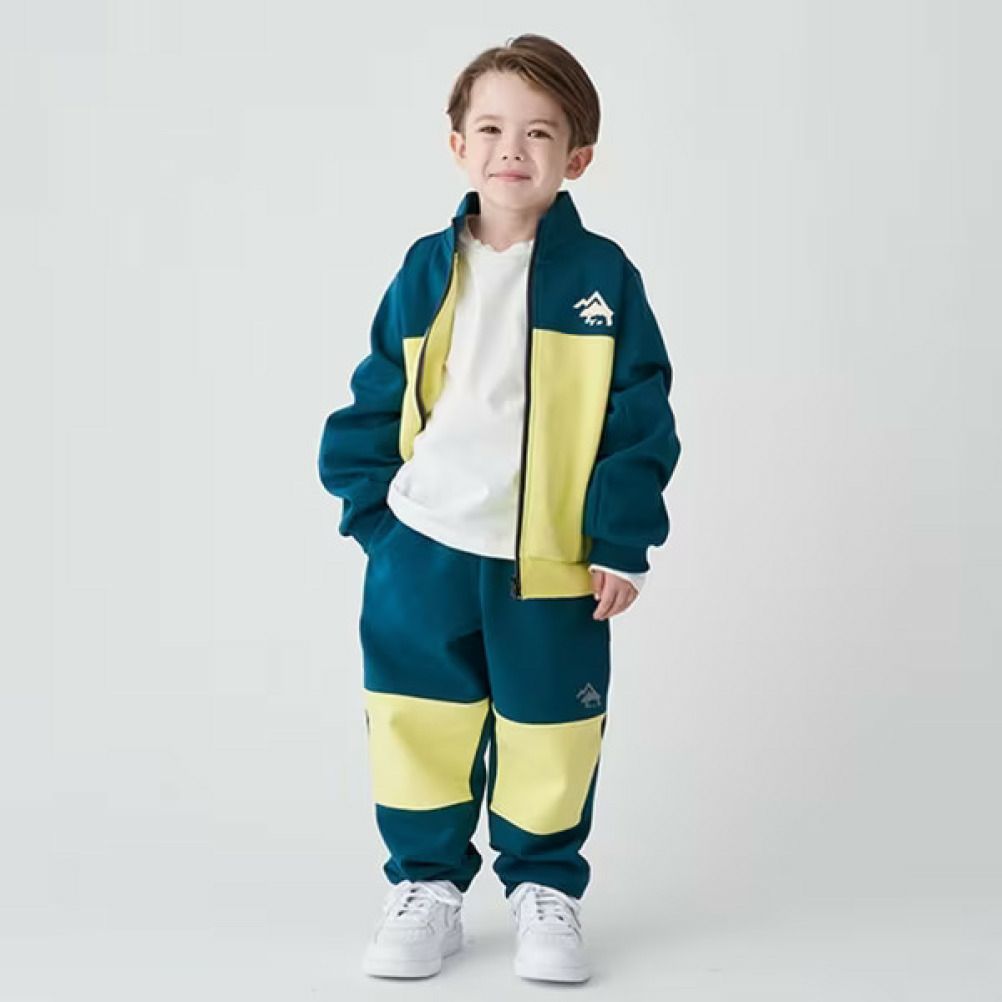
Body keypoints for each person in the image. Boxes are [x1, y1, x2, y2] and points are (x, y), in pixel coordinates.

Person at [317, 33, 681, 983]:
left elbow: (639, 418)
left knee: (550, 730)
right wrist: (376, 521)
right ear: (457, 145)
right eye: (489, 128)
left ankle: (544, 892)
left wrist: (621, 542)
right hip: (422, 548)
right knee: (419, 723)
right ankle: (426, 887)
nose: (510, 148)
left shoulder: (604, 279)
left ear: (577, 159)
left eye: (538, 132)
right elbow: (375, 393)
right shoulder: (424, 269)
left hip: (552, 562)